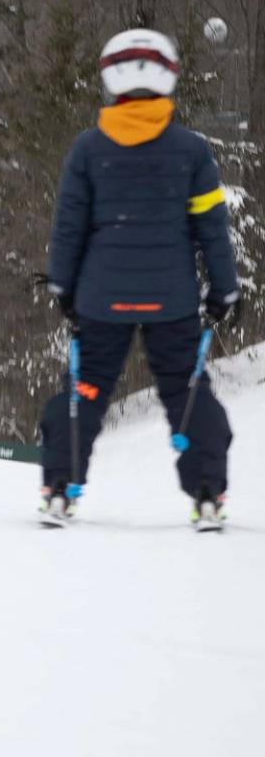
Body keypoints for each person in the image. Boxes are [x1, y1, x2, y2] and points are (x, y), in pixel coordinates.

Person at [38, 28, 241, 530]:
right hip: (169, 299)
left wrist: (62, 286)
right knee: (188, 390)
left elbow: (70, 226)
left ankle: (61, 489)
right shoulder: (191, 151)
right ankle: (208, 494)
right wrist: (224, 289)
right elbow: (211, 228)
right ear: (168, 78)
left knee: (83, 392)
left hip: (101, 297)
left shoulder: (88, 150)